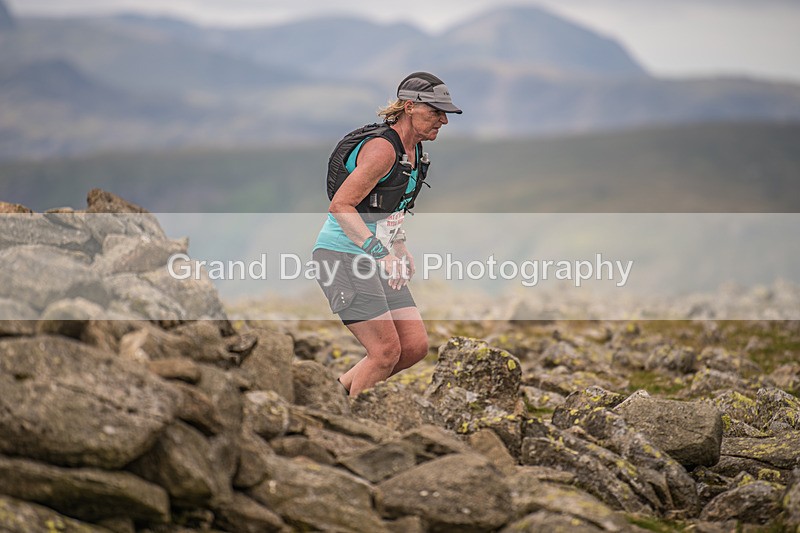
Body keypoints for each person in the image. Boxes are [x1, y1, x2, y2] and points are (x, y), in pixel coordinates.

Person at [312, 72, 461, 396]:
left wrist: (400, 246)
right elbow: (340, 206)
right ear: (409, 107)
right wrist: (381, 254)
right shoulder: (382, 150)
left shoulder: (416, 151)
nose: (444, 121)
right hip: (342, 256)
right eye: (436, 111)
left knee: (413, 346)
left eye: (445, 113)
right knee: (384, 353)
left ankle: (335, 397)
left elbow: (389, 206)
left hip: (374, 256)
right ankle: (352, 426)